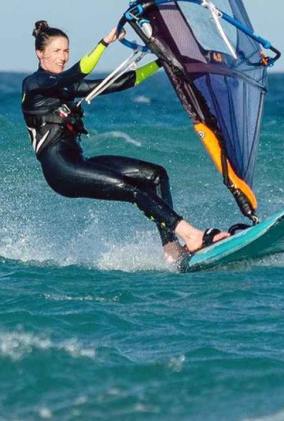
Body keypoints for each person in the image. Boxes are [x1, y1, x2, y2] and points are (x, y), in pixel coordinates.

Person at [21, 20, 228, 262]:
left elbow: (118, 82)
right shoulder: (34, 84)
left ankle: (171, 248)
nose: (63, 56)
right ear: (40, 53)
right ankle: (191, 235)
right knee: (133, 189)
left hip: (77, 161)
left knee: (155, 175)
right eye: (56, 51)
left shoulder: (65, 88)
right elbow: (78, 72)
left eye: (66, 50)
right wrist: (105, 43)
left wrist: (162, 62)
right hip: (60, 169)